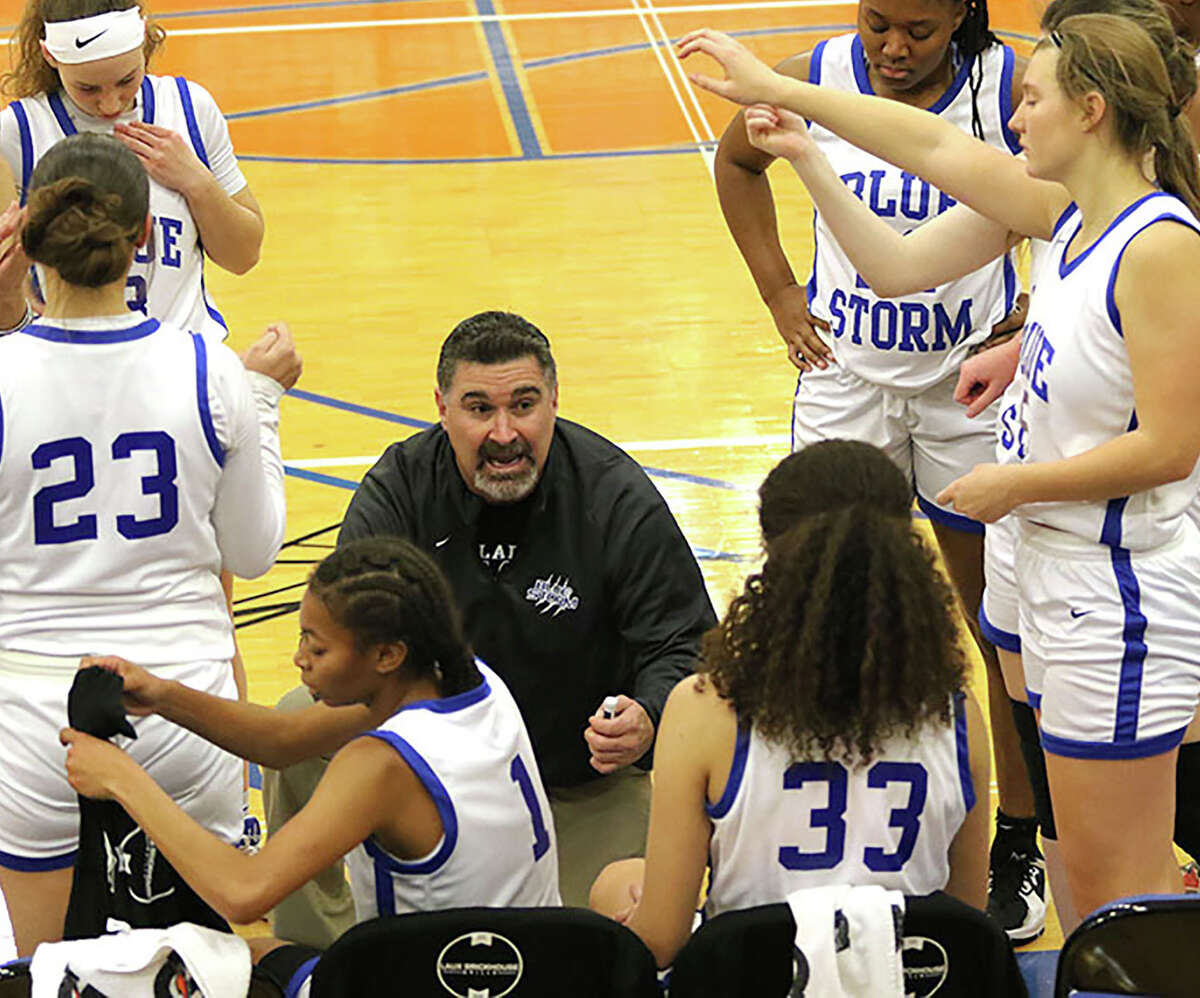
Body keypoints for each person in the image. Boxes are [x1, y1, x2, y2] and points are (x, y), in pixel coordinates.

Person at [677, 9, 1200, 918]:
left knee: (1123, 891)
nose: (1015, 113)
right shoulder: (1066, 213)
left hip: (1108, 585)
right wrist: (798, 134)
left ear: (1090, 112)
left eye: (1030, 99)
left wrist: (1014, 482)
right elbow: (897, 248)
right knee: (1074, 858)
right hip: (1041, 565)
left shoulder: (1161, 246)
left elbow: (1172, 446)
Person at [713, 0, 1041, 939]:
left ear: (963, 22)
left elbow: (1056, 209)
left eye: (920, 30)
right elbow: (736, 162)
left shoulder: (1010, 85)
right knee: (810, 606)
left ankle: (1013, 831)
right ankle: (795, 819)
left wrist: (1035, 317)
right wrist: (781, 288)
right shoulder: (813, 71)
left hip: (964, 384)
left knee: (994, 631)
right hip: (847, 378)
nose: (894, 46)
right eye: (878, 21)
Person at [263, 311, 716, 939]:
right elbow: (346, 636)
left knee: (614, 948)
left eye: (524, 405)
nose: (505, 433)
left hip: (579, 787)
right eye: (479, 409)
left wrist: (648, 715)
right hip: (426, 773)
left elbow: (685, 643)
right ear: (442, 409)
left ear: (554, 401)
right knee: (296, 721)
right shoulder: (401, 489)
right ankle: (314, 953)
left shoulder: (614, 497)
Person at [0, 132, 297, 955]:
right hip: (182, 707)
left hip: (33, 715)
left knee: (44, 967)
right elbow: (252, 552)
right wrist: (264, 398)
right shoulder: (210, 368)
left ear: (30, 233)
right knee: (195, 964)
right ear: (144, 236)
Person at [590, 441, 989, 968]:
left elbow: (661, 942)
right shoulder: (956, 712)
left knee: (614, 884)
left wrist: (635, 910)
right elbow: (963, 924)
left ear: (772, 556)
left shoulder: (705, 708)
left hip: (752, 980)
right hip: (900, 982)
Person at [59, 539, 561, 945]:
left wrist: (121, 779)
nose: (299, 658)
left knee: (228, 952)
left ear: (386, 655)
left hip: (429, 979)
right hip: (533, 969)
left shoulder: (380, 765)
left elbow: (243, 892)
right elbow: (283, 739)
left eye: (315, 646)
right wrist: (164, 695)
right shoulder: (471, 681)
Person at [0, 0, 264, 340]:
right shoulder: (16, 133)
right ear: (50, 55)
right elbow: (7, 291)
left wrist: (197, 182)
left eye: (126, 80)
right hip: (73, 371)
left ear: (142, 38)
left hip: (183, 365)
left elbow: (243, 257)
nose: (110, 103)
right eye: (88, 88)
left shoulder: (189, 107)